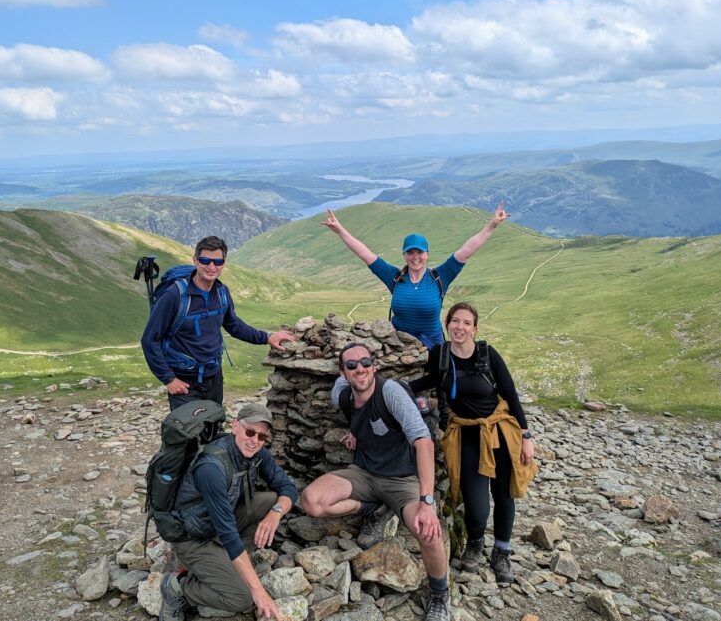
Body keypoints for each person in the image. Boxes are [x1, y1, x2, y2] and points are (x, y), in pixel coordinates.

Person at [300, 343, 451, 621]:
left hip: (402, 479)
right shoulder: (342, 395)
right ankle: (373, 508)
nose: (360, 369)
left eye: (366, 362)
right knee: (312, 501)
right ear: (343, 372)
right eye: (352, 365)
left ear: (375, 365)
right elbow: (343, 393)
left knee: (429, 531)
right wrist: (353, 431)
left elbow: (423, 441)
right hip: (365, 473)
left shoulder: (390, 392)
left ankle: (440, 593)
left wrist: (427, 502)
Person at [409, 302, 536, 584]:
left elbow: (511, 395)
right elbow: (432, 379)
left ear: (475, 329)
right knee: (477, 505)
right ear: (448, 324)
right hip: (466, 436)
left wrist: (526, 437)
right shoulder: (440, 354)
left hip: (500, 432)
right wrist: (396, 388)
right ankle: (475, 543)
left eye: (467, 323)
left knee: (504, 495)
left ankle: (501, 553)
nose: (460, 327)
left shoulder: (488, 355)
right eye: (455, 321)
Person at [159, 403, 297, 621]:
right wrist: (258, 591)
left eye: (262, 437)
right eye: (250, 432)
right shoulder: (211, 468)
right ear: (235, 426)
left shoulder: (257, 454)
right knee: (241, 598)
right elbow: (229, 534)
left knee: (271, 501)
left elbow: (288, 488)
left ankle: (228, 565)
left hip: (219, 525)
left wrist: (276, 513)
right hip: (193, 537)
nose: (255, 441)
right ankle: (178, 587)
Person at [322, 203, 508, 348]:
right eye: (410, 253)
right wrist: (340, 230)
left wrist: (492, 225)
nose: (415, 257)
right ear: (404, 255)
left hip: (433, 346)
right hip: (398, 345)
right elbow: (364, 254)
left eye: (420, 252)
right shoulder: (394, 277)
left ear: (427, 254)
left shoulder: (440, 276)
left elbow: (467, 250)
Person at [141, 235, 294, 410]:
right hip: (184, 380)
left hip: (213, 376)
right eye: (205, 260)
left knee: (213, 428)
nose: (211, 267)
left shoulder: (221, 292)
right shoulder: (174, 295)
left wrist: (267, 337)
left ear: (223, 263)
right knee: (186, 432)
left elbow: (234, 325)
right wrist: (168, 379)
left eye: (217, 262)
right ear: (195, 261)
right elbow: (150, 339)